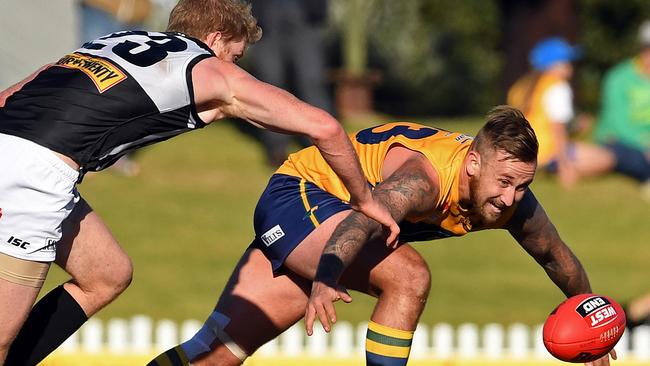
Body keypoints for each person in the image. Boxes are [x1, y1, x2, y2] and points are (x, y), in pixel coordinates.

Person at [0, 1, 399, 364]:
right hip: (35, 176)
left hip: (19, 153)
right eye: (236, 55)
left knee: (107, 274)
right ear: (215, 39)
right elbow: (325, 127)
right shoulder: (208, 69)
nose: (236, 66)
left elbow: (15, 93)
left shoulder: (114, 40)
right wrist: (364, 199)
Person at [150, 106, 615, 366]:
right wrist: (327, 276)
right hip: (302, 197)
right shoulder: (423, 179)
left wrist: (594, 322)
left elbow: (556, 256)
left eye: (523, 186)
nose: (512, 199)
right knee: (409, 276)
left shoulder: (510, 199)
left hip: (327, 226)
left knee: (215, 355)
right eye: (504, 183)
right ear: (473, 164)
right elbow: (363, 222)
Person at [508, 37, 615, 188]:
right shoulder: (558, 87)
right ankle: (556, 169)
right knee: (607, 159)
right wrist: (566, 166)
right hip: (548, 154)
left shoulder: (522, 87)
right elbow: (556, 129)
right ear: (552, 65)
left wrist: (575, 127)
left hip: (523, 151)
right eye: (566, 62)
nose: (570, 66)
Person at [248, 0, 333, 167]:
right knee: (269, 86)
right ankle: (276, 148)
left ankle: (323, 146)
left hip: (305, 15)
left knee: (312, 82)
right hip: (265, 18)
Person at [78, 0, 155, 177]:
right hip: (101, 8)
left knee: (129, 87)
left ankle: (115, 154)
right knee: (90, 82)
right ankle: (81, 152)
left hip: (138, 14)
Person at [594, 21, 650, 198]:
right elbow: (618, 124)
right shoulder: (618, 78)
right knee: (630, 157)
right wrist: (645, 144)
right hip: (620, 142)